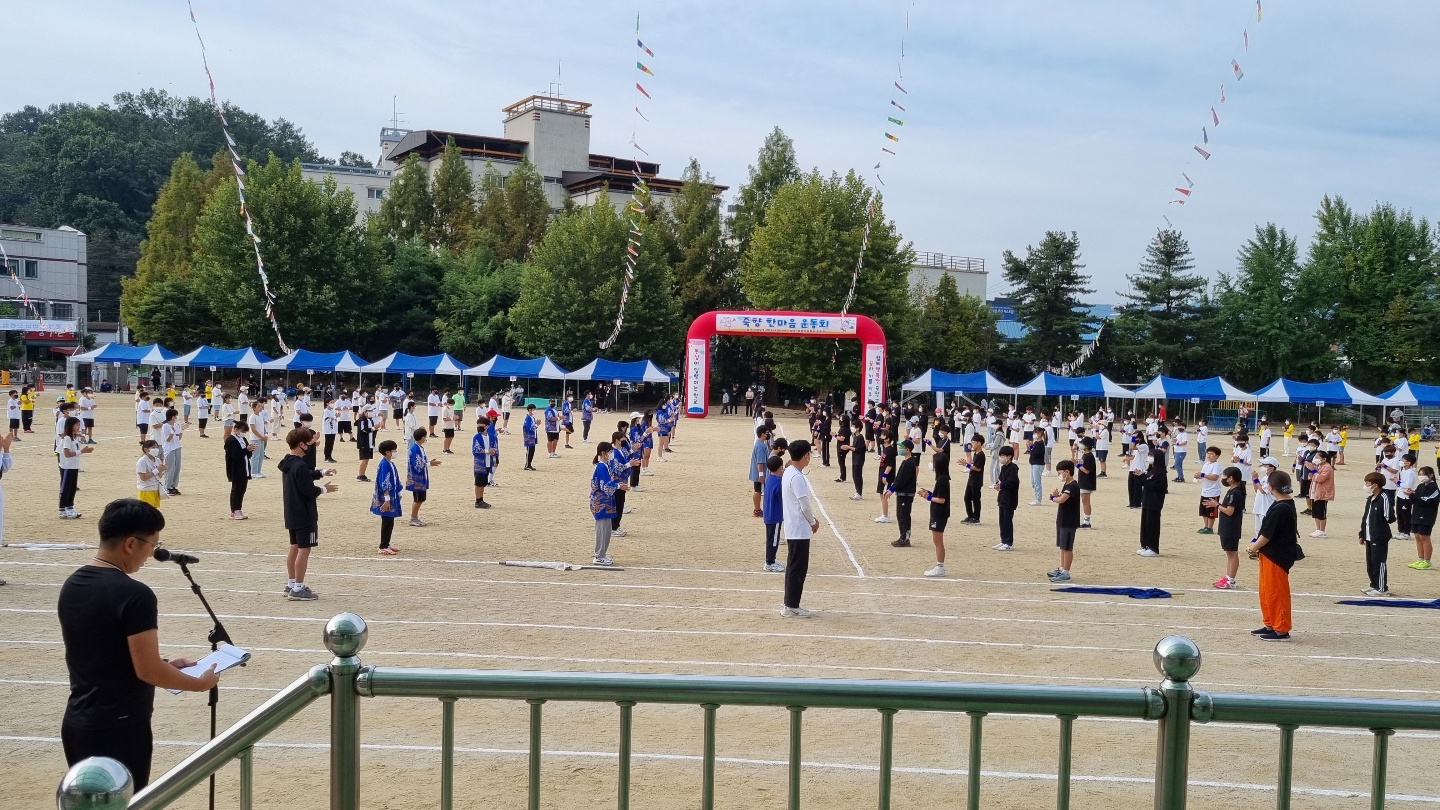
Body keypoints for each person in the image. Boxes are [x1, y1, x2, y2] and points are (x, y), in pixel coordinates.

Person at [58, 499, 221, 790]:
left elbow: (104, 653)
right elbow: (148, 671)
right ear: (131, 544)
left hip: (79, 720)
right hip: (120, 725)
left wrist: (167, 665)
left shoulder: (73, 584)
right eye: (152, 545)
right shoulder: (135, 595)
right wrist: (200, 683)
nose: (152, 554)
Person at [279, 427, 336, 601]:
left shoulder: (288, 462)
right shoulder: (300, 465)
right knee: (304, 549)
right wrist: (325, 489)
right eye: (308, 443)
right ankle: (298, 587)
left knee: (295, 548)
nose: (310, 446)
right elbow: (308, 489)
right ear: (301, 444)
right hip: (304, 513)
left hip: (291, 511)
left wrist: (320, 472)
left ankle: (291, 583)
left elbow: (304, 476)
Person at [1248, 471, 1300, 641]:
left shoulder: (1282, 507)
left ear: (1272, 486)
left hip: (1277, 555)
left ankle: (1281, 629)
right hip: (1269, 554)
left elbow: (1267, 534)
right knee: (1267, 591)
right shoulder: (1282, 503)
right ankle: (1270, 623)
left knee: (1276, 592)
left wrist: (1253, 548)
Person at [780, 440, 819, 617]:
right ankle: (791, 605)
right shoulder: (796, 477)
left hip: (792, 525)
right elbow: (804, 504)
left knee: (793, 565)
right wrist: (813, 521)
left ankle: (790, 603)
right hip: (798, 528)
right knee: (797, 567)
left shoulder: (789, 471)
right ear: (805, 456)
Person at [589, 441, 628, 566]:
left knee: (606, 529)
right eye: (610, 451)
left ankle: (602, 554)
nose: (611, 454)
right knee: (601, 530)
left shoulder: (606, 466)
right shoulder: (601, 467)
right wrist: (618, 486)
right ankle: (598, 556)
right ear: (603, 453)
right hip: (601, 503)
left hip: (606, 502)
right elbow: (604, 485)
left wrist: (617, 486)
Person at [918, 436, 951, 577]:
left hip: (940, 512)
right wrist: (929, 493)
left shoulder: (943, 480)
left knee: (938, 541)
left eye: (933, 461)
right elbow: (939, 495)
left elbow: (942, 499)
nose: (931, 463)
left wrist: (928, 497)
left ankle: (940, 567)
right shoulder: (940, 479)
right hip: (937, 511)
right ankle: (939, 566)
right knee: (936, 540)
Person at [1209, 466, 1246, 589]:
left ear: (1231, 478)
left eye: (1225, 476)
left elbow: (1229, 511)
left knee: (1232, 552)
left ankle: (1231, 579)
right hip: (1227, 525)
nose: (1223, 479)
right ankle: (1228, 577)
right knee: (1229, 553)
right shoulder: (1232, 491)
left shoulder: (1235, 493)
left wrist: (1216, 505)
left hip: (1231, 526)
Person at [1358, 471, 1394, 596]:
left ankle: (1382, 588)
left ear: (1375, 485)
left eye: (1367, 483)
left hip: (1379, 535)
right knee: (1371, 562)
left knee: (1379, 561)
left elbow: (1390, 517)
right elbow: (1366, 517)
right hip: (1369, 534)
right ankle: (1374, 584)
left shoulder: (1384, 498)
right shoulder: (1370, 499)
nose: (1365, 486)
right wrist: (1362, 534)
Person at [1047, 459, 1081, 582]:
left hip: (1069, 521)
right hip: (1062, 519)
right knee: (1062, 546)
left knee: (1067, 547)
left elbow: (1062, 499)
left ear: (1067, 472)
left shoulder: (1073, 486)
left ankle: (1066, 572)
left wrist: (1053, 497)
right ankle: (1062, 568)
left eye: (1060, 473)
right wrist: (1057, 496)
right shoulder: (1066, 485)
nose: (1059, 475)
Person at [371, 440, 403, 555]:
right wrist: (387, 499)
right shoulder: (384, 464)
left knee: (390, 520)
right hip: (386, 497)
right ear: (388, 452)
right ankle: (383, 545)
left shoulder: (390, 463)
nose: (395, 452)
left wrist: (398, 493)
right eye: (394, 450)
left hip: (392, 495)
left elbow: (395, 480)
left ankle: (387, 543)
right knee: (387, 520)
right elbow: (384, 482)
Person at [57, 416, 92, 519]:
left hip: (74, 466)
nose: (78, 427)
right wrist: (82, 451)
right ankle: (62, 509)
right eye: (76, 425)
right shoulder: (67, 438)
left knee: (72, 488)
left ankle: (70, 506)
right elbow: (67, 453)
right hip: (68, 466)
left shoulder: (74, 437)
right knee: (66, 488)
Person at [406, 428, 440, 526]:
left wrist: (429, 462)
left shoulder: (419, 447)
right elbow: (417, 465)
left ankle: (414, 517)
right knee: (418, 499)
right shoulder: (415, 448)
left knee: (420, 498)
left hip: (421, 476)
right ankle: (413, 518)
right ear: (422, 437)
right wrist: (430, 464)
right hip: (417, 478)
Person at [1137, 448, 1168, 557]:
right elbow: (1145, 482)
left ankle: (1153, 547)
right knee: (1145, 524)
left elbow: (1156, 486)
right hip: (1146, 501)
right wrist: (1141, 476)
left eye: (1152, 456)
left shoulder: (1161, 472)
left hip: (1154, 502)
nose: (1149, 458)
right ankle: (1145, 545)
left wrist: (1144, 478)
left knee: (1152, 525)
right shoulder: (1151, 470)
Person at [890, 439, 919, 547]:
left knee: (904, 516)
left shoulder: (910, 462)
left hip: (906, 493)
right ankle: (902, 536)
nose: (900, 449)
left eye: (902, 448)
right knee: (900, 515)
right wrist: (892, 488)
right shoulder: (905, 462)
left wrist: (892, 489)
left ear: (907, 450)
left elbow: (902, 479)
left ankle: (905, 538)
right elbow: (898, 478)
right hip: (901, 493)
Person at [760, 455, 786, 572]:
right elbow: (783, 499)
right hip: (775, 516)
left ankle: (770, 560)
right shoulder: (778, 483)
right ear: (780, 467)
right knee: (773, 540)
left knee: (771, 538)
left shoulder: (770, 478)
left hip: (768, 514)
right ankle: (770, 562)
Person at [1408, 466, 1436, 570]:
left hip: (1426, 516)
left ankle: (1427, 561)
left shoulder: (1434, 489)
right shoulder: (1420, 486)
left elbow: (1426, 501)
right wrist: (1411, 494)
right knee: (1417, 537)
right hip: (1416, 514)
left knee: (1424, 537)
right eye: (1419, 474)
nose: (1421, 476)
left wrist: (1414, 496)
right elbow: (1415, 499)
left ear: (1431, 475)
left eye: (1423, 474)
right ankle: (1420, 558)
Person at [993, 446, 1019, 551]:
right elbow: (1000, 480)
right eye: (1000, 455)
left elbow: (1012, 482)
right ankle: (1003, 540)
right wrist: (997, 485)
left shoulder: (1013, 468)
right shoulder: (1003, 468)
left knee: (1007, 520)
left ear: (1009, 457)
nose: (1001, 458)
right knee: (1002, 521)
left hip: (1010, 499)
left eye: (1003, 456)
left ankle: (1009, 542)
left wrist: (1002, 485)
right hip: (1002, 498)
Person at [224, 422, 252, 520]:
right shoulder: (231, 440)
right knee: (236, 489)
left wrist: (250, 450)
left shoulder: (243, 439)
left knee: (242, 490)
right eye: (242, 431)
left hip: (244, 468)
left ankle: (238, 508)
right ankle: (234, 510)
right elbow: (235, 455)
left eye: (245, 431)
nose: (243, 433)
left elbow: (247, 454)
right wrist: (246, 450)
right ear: (236, 429)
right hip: (236, 469)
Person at [1194, 446, 1223, 535]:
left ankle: (1210, 527)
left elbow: (1214, 477)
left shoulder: (1217, 466)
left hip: (1213, 491)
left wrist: (1202, 475)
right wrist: (1198, 476)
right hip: (1205, 490)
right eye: (1208, 453)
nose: (1209, 455)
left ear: (1217, 456)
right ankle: (1206, 526)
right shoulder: (1206, 464)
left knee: (1211, 511)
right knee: (1204, 510)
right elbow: (1204, 475)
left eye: (1212, 454)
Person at [472, 416, 496, 509]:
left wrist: (493, 452)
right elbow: (476, 449)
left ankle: (481, 499)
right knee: (478, 482)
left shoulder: (490, 437)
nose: (479, 427)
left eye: (481, 426)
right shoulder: (477, 437)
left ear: (486, 426)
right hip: (480, 463)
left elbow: (493, 447)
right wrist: (487, 451)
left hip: (488, 461)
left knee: (483, 482)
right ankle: (478, 500)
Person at [160, 408, 184, 496]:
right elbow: (168, 439)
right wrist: (172, 432)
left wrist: (182, 430)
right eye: (175, 416)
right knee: (170, 468)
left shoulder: (176, 425)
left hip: (177, 447)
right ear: (172, 417)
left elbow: (179, 437)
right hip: (169, 449)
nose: (176, 417)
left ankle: (173, 486)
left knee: (177, 468)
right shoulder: (165, 426)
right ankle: (167, 487)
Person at [963, 434, 986, 524]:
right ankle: (970, 516)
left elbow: (977, 468)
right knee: (967, 497)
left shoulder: (981, 455)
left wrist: (967, 464)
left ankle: (976, 517)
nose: (972, 444)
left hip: (977, 480)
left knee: (976, 499)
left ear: (979, 443)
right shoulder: (975, 453)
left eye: (973, 442)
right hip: (971, 478)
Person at [135, 440, 164, 509]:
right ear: (146, 449)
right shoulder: (142, 461)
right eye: (153, 447)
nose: (156, 449)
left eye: (157, 447)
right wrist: (157, 470)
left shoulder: (157, 460)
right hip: (146, 490)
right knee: (146, 512)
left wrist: (161, 470)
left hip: (155, 489)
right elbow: (143, 478)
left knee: (154, 511)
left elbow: (159, 476)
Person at [843, 425, 866, 500]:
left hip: (859, 459)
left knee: (858, 476)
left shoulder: (860, 438)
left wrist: (849, 447)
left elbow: (859, 449)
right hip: (855, 458)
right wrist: (848, 447)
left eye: (854, 426)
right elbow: (854, 447)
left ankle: (859, 493)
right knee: (854, 475)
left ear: (858, 428)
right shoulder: (855, 436)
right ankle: (857, 491)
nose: (852, 427)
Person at [249, 399, 270, 479]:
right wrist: (261, 437)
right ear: (254, 408)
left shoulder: (260, 416)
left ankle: (258, 471)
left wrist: (265, 435)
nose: (261, 408)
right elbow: (253, 429)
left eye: (261, 406)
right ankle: (253, 472)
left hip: (261, 438)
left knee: (261, 455)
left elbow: (262, 427)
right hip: (255, 439)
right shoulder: (252, 417)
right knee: (255, 455)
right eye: (259, 406)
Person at [1027, 431, 1047, 505]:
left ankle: (1038, 499)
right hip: (1033, 463)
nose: (1035, 434)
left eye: (1036, 433)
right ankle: (1036, 497)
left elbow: (1037, 453)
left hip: (1038, 464)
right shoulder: (1036, 443)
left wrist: (1031, 446)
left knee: (1037, 482)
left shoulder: (1041, 444)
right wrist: (1030, 446)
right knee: (1033, 482)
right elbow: (1032, 452)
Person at [522, 404, 539, 470]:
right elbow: (528, 427)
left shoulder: (532, 417)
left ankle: (529, 464)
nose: (535, 411)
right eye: (533, 409)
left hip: (533, 436)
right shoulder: (528, 418)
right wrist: (536, 425)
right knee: (529, 451)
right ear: (530, 410)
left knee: (532, 450)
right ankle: (527, 465)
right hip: (529, 436)